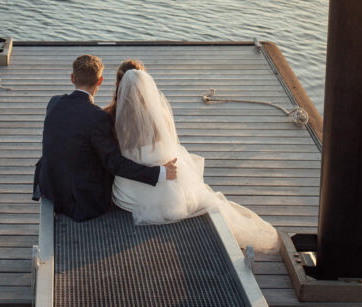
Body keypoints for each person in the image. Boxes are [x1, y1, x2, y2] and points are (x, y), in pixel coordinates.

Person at [111, 65, 280, 252]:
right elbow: (170, 147)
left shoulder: (111, 116)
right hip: (164, 191)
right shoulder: (160, 116)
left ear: (119, 86)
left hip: (126, 196)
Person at [33, 54, 178, 222]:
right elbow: (114, 164)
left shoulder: (54, 102)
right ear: (100, 81)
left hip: (50, 186)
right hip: (81, 199)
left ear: (72, 78)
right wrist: (160, 172)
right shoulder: (98, 118)